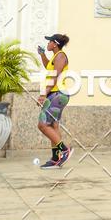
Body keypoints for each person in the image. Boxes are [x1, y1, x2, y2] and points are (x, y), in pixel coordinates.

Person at [37, 33, 73, 168]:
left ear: (55, 44)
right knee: (53, 126)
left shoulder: (61, 56)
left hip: (57, 94)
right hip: (57, 94)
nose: (47, 44)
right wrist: (42, 54)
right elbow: (49, 67)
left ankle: (64, 150)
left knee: (42, 125)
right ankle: (55, 158)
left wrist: (43, 94)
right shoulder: (55, 57)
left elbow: (55, 76)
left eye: (49, 41)